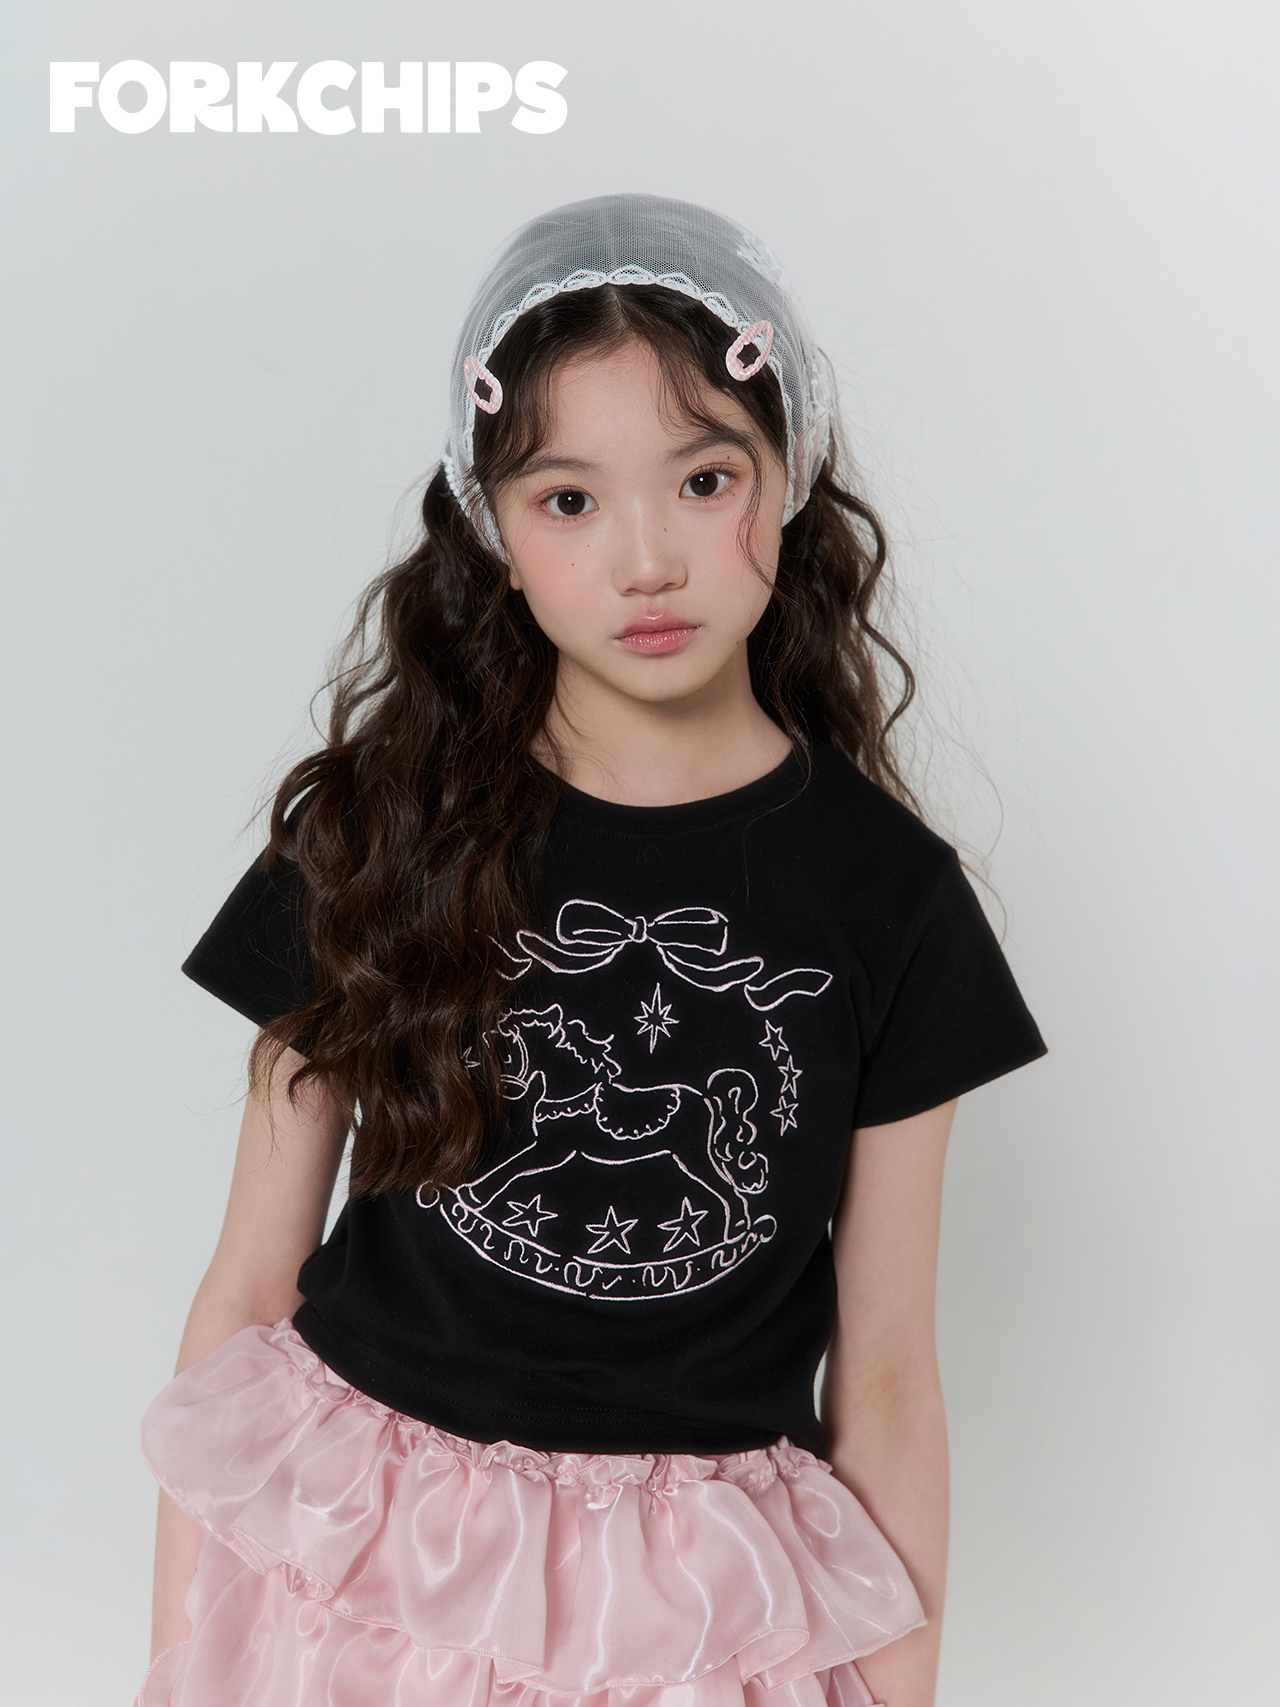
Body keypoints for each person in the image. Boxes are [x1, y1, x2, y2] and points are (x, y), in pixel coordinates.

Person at [138, 194, 1046, 1707]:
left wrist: (899, 1691)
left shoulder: (891, 898)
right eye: (569, 500)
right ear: (491, 528)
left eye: (705, 480)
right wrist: (182, 1658)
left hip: (697, 1620)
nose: (646, 560)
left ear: (792, 480)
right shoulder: (377, 831)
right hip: (370, 1579)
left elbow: (887, 1375)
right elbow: (248, 1289)